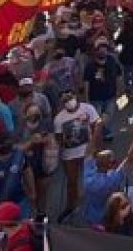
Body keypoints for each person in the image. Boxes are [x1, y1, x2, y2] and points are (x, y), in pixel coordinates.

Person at [81, 117, 133, 227]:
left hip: (92, 216)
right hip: (109, 216)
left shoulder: (88, 175)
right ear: (109, 165)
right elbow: (130, 158)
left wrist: (97, 129)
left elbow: (88, 151)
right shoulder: (112, 180)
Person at [53, 91, 100, 222]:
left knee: (91, 179)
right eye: (65, 100)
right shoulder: (59, 119)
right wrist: (64, 142)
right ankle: (71, 206)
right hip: (70, 155)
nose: (69, 101)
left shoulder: (88, 108)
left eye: (70, 98)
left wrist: (97, 147)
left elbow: (96, 126)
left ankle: (96, 204)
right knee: (71, 182)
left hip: (87, 151)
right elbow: (58, 138)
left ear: (75, 97)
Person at [0, 132, 35, 214]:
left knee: (24, 225)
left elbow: (27, 171)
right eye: (5, 144)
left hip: (19, 201)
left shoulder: (18, 156)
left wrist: (32, 192)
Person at [82, 40, 122, 142]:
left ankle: (108, 133)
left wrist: (118, 91)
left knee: (109, 116)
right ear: (96, 52)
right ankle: (98, 135)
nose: (103, 52)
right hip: (95, 97)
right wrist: (86, 99)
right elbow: (86, 83)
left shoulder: (112, 61)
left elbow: (118, 76)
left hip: (110, 95)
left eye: (105, 50)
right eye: (100, 50)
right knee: (98, 118)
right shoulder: (90, 66)